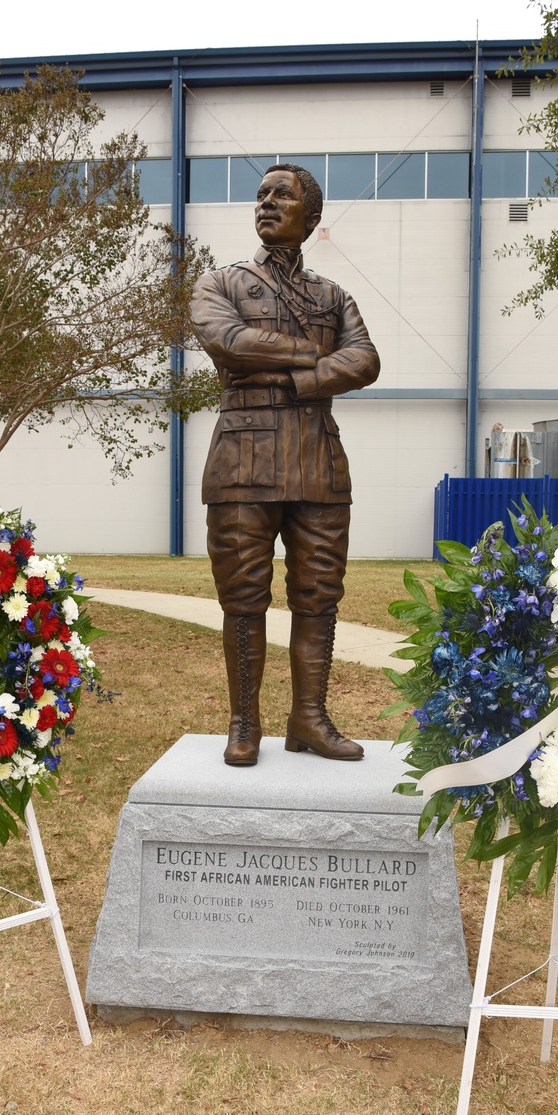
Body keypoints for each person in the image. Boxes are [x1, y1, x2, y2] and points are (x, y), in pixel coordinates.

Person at [190, 163, 380, 767]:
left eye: (283, 196)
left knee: (319, 594)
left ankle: (310, 719)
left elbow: (367, 360)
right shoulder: (219, 283)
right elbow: (230, 343)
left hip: (318, 460)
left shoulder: (333, 296)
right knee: (243, 597)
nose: (267, 203)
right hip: (242, 457)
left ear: (311, 216)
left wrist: (286, 377)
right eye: (261, 195)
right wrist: (316, 360)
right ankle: (244, 720)